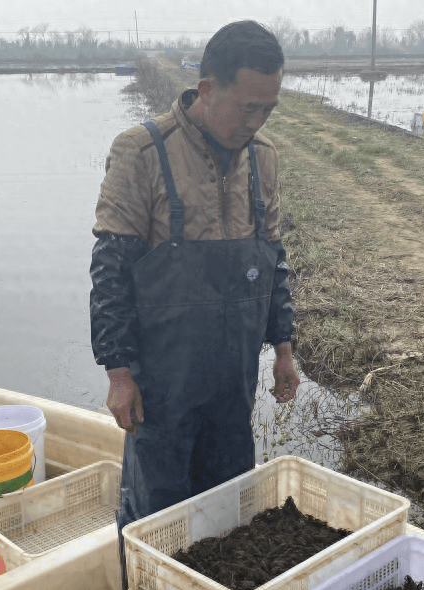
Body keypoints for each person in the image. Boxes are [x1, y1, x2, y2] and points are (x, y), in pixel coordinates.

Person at [90, 20, 300, 546]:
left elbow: (273, 262)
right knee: (155, 520)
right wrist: (119, 374)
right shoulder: (141, 153)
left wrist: (284, 349)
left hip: (233, 382)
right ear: (208, 89)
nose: (256, 121)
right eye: (247, 107)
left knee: (229, 516)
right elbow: (110, 271)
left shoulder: (264, 159)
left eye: (268, 108)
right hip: (161, 387)